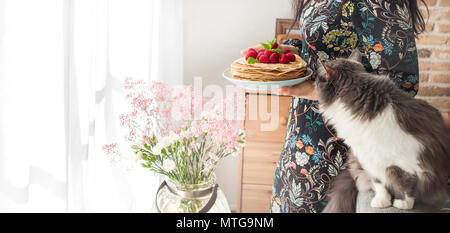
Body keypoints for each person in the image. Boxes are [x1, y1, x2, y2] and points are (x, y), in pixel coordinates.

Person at [269, 0, 430, 213]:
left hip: (339, 151)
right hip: (301, 138)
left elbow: (401, 86)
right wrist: (289, 53)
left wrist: (313, 91)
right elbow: (323, 48)